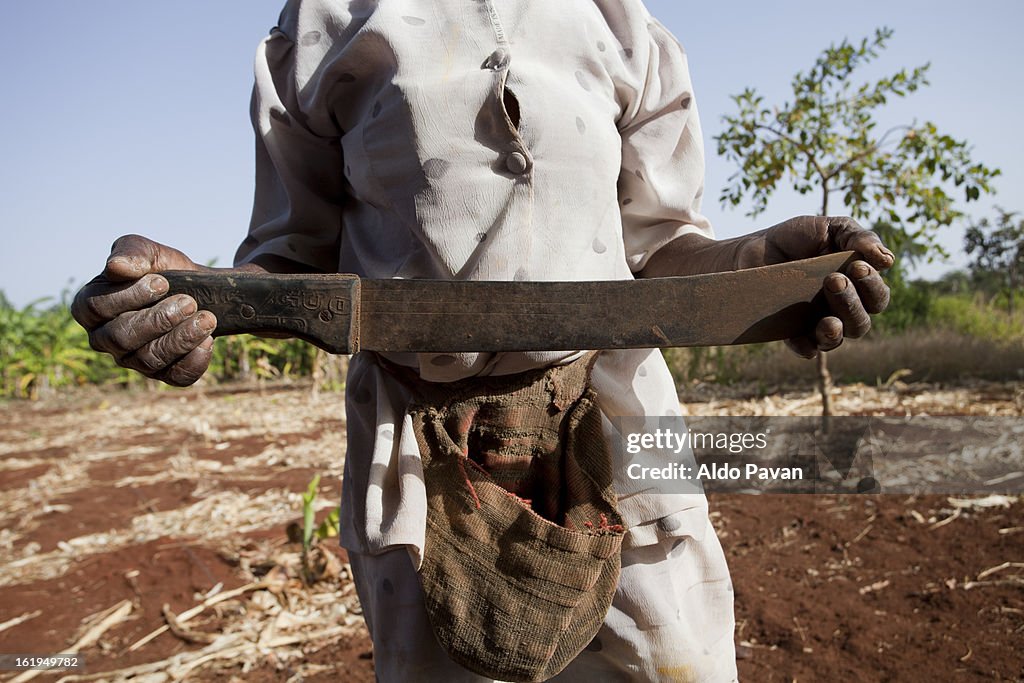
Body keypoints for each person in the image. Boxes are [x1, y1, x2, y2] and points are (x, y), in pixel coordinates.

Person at [72, 1, 893, 680]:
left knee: (672, 657)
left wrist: (761, 268)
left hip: (613, 416)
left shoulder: (619, 20)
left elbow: (660, 245)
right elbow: (291, 256)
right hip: (424, 447)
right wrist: (197, 300)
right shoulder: (328, 22)